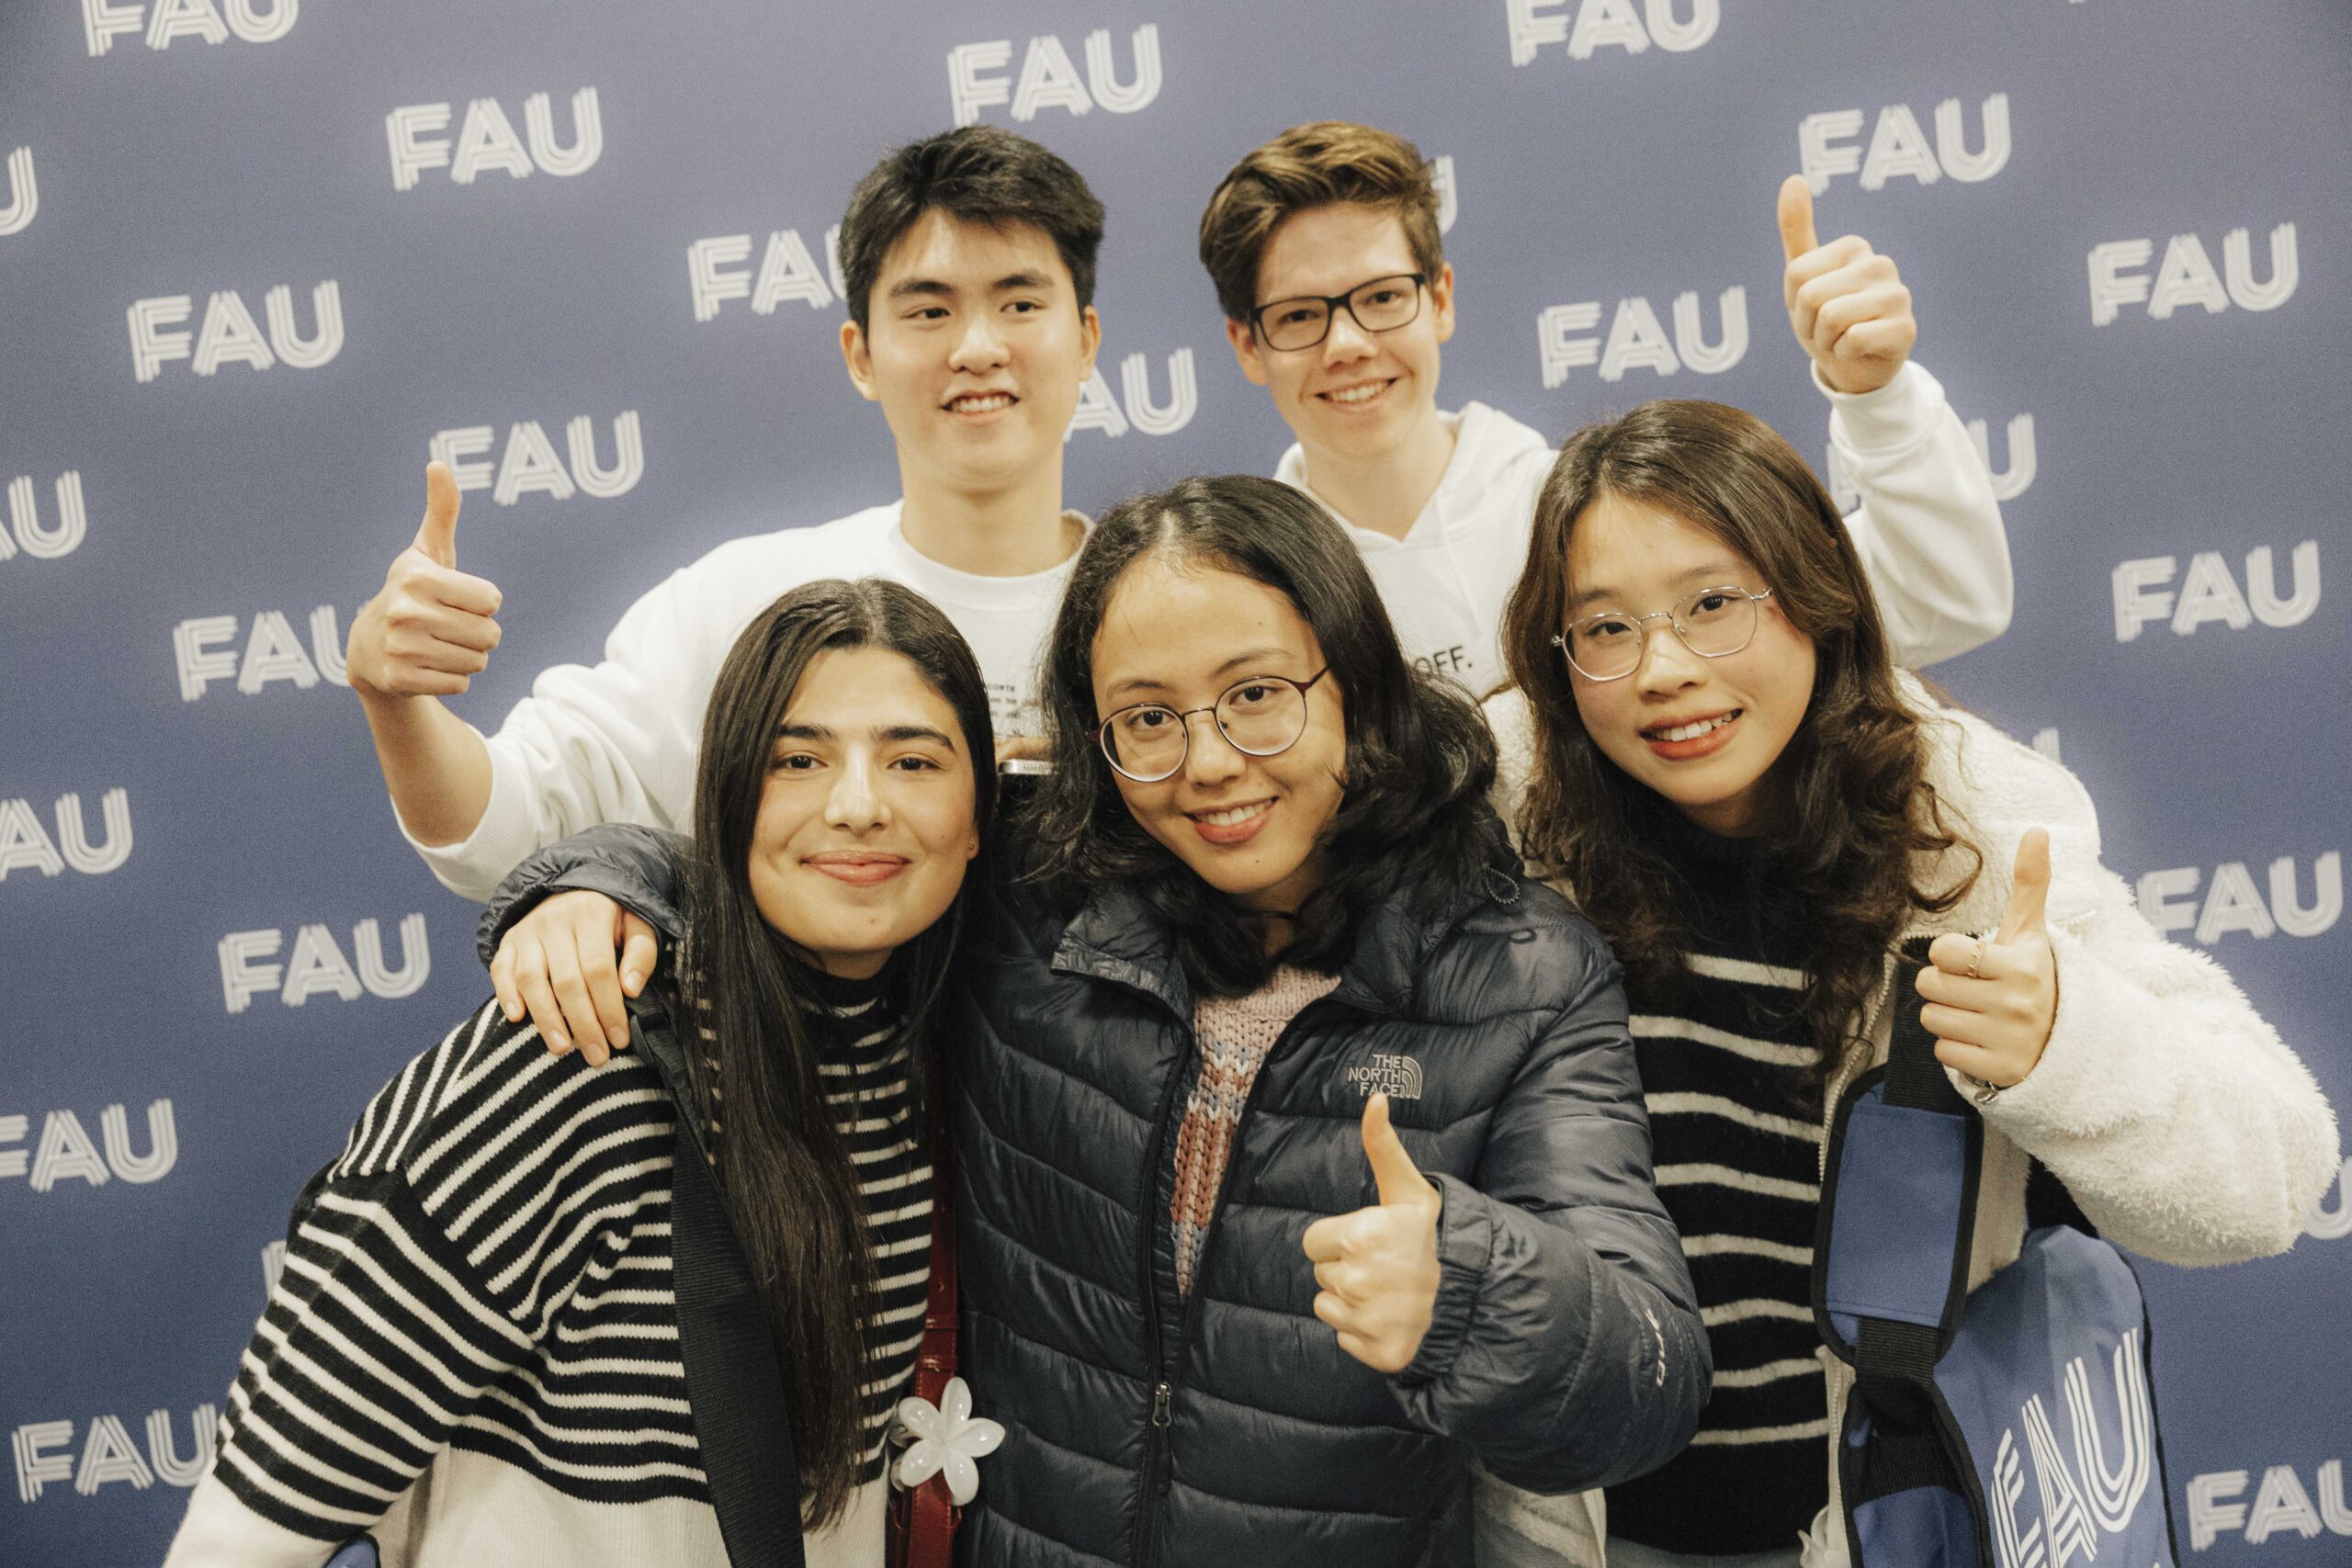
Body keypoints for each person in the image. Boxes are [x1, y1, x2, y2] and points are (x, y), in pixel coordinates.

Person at [481, 474, 1713, 1566]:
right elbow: (830, 866)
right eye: (1148, 718)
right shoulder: (1035, 889)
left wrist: (1471, 1295)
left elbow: (1650, 1378)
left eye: (1258, 695)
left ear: (1361, 686)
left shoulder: (1522, 970)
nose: (1210, 761)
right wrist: (604, 880)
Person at [1480, 399, 2340, 1568]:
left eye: (1713, 604)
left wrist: (2064, 1045)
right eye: (1605, 628)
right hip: (1579, 1531)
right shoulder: (1504, 835)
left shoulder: (1967, 834)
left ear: (1818, 598)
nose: (1663, 669)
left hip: (1882, 1527)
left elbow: (2270, 1176)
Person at [163, 578, 997, 1567]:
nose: (858, 806)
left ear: (978, 814)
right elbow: (249, 1527)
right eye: (798, 759)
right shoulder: (581, 1054)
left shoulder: (935, 1074)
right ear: (727, 796)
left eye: (912, 760)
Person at [347, 125, 1100, 908]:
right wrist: (392, 699)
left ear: (1085, 339)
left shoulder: (1156, 611)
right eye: (930, 310)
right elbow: (505, 828)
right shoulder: (747, 602)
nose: (977, 348)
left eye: (1019, 303)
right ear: (861, 356)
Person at [1199, 120, 2012, 694]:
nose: (1347, 344)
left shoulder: (1594, 513)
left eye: (1382, 297)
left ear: (1439, 299)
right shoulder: (1241, 585)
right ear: (1246, 344)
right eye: (1298, 316)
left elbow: (1942, 602)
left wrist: (1878, 395)